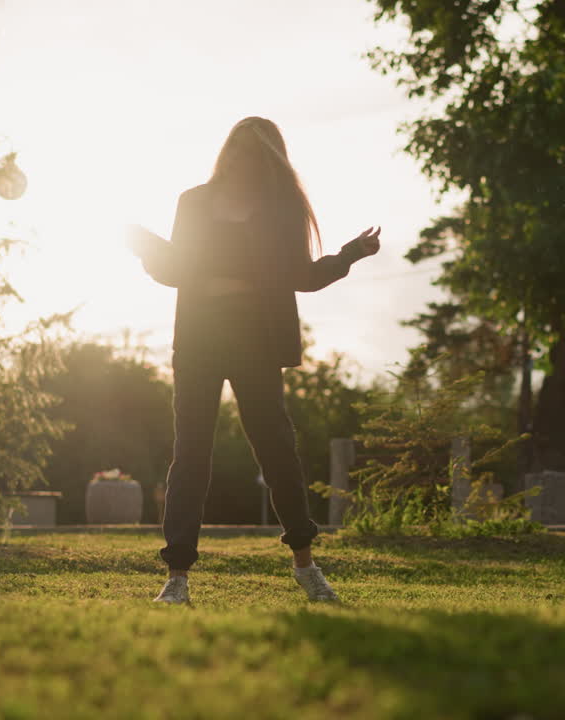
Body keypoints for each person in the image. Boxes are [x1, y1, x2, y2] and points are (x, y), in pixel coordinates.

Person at [127, 116, 380, 605]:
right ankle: (176, 577)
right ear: (227, 151)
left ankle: (306, 567)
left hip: (256, 340)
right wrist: (145, 247)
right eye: (238, 149)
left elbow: (303, 276)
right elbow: (178, 269)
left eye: (256, 153)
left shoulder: (281, 209)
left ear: (271, 160)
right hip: (200, 339)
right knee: (191, 454)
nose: (244, 159)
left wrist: (350, 253)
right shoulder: (194, 202)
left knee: (277, 449)